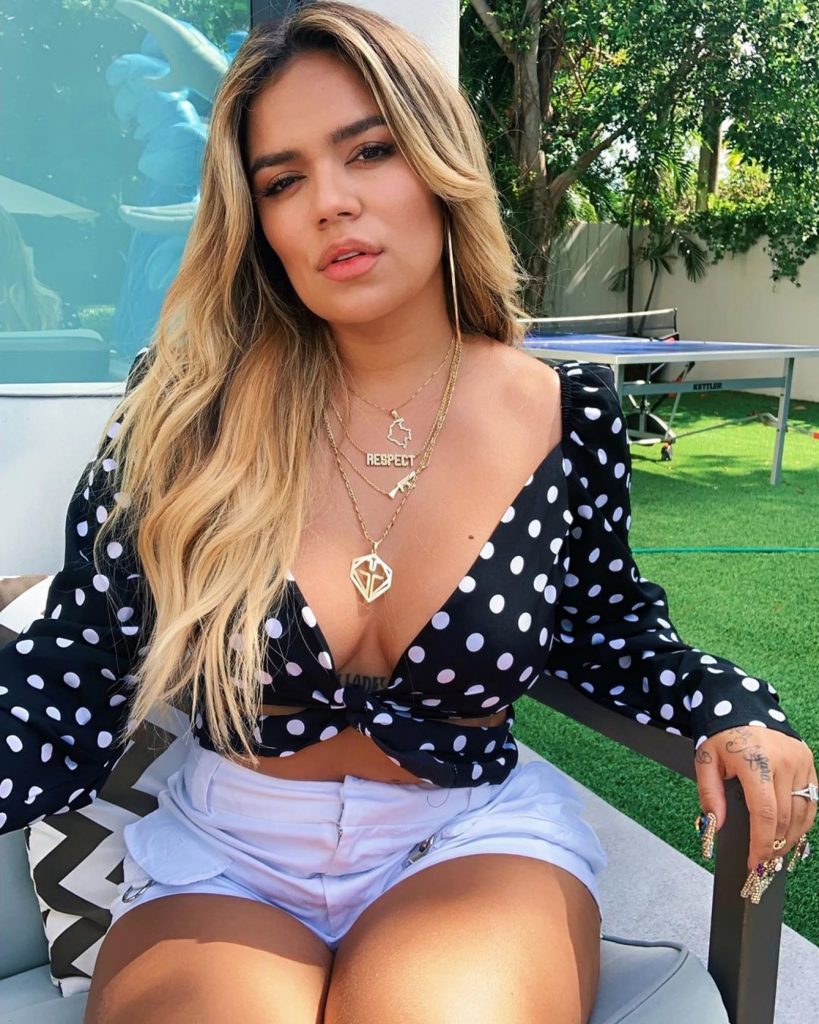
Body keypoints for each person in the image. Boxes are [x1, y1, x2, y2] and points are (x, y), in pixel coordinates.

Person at [0, 4, 815, 1022]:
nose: (330, 203)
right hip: (226, 853)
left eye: (369, 151)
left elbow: (605, 627)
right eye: (282, 181)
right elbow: (76, 658)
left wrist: (728, 705)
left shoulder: (564, 413)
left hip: (469, 839)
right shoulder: (184, 415)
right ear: (257, 222)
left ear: (437, 165)